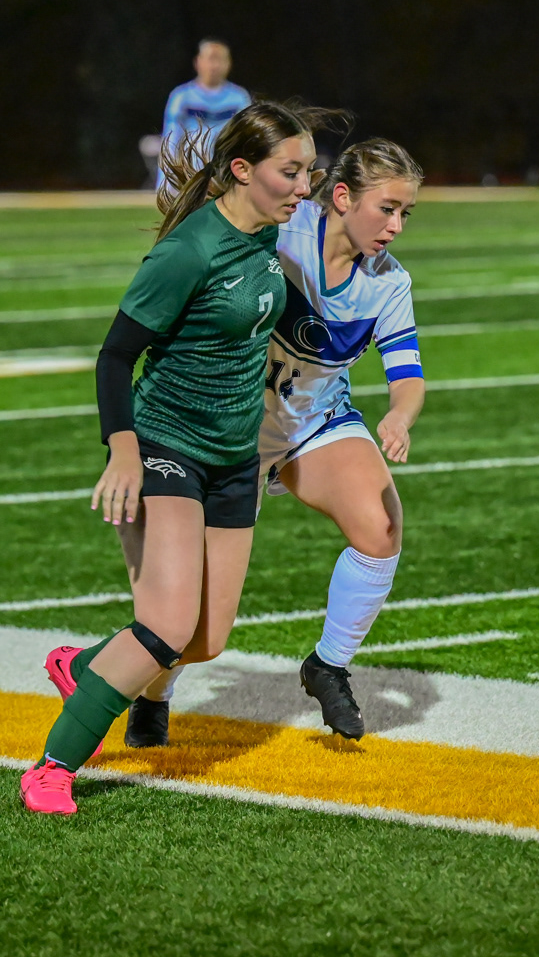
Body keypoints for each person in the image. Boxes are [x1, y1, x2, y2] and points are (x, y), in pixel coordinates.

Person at [19, 100, 336, 816]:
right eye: (290, 172)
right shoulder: (189, 250)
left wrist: (356, 294)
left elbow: (290, 319)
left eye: (309, 172)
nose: (303, 186)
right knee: (163, 626)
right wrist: (124, 452)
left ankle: (86, 665)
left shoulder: (263, 244)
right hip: (167, 447)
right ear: (241, 170)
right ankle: (50, 769)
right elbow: (114, 358)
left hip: (233, 458)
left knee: (203, 640)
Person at [125, 138, 426, 746]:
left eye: (405, 214)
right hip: (230, 430)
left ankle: (329, 664)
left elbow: (409, 378)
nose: (395, 226)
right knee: (198, 629)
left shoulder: (388, 283)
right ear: (342, 197)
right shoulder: (287, 231)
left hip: (316, 422)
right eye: (387, 209)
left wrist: (399, 417)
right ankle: (152, 692)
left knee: (383, 524)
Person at [157, 38, 252, 188]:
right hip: (190, 170)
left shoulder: (239, 97)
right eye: (210, 59)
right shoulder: (181, 97)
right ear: (198, 62)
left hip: (225, 169)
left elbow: (246, 139)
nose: (214, 66)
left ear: (229, 64)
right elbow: (171, 139)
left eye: (220, 60)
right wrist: (166, 181)